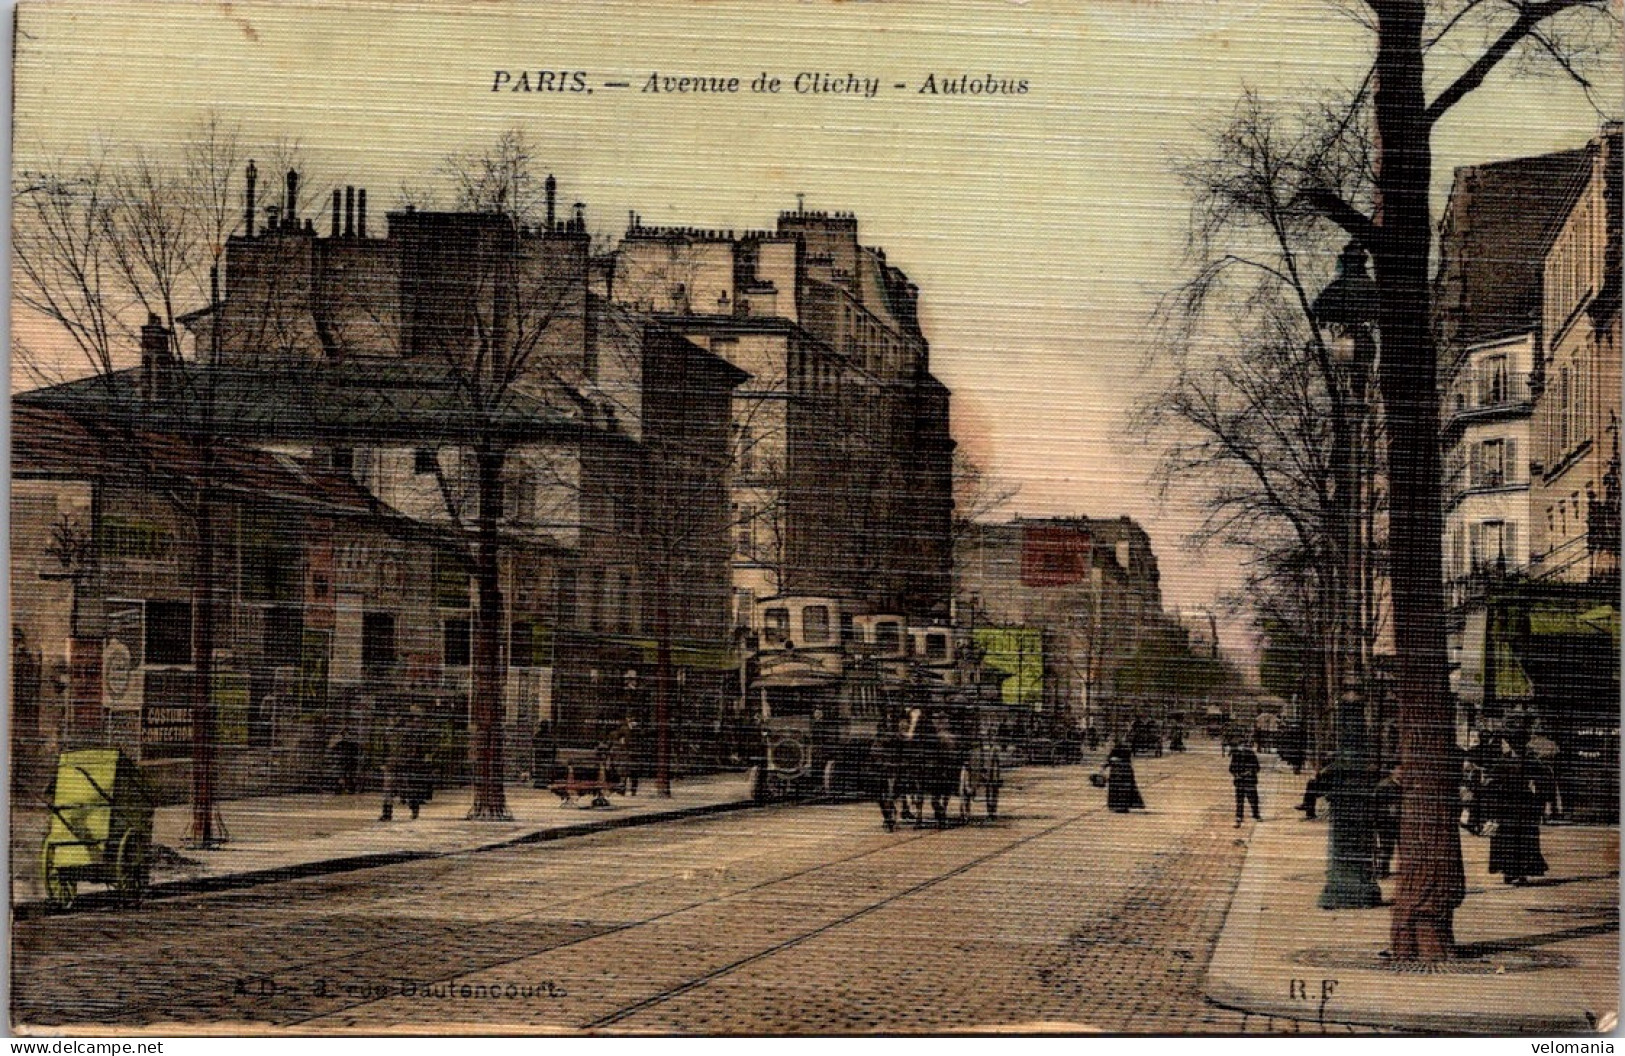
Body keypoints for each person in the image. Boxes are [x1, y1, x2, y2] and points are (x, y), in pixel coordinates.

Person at [1486, 725, 1550, 885]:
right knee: (1511, 838)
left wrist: (1542, 803)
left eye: (1507, 741)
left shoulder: (1526, 760)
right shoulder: (1509, 760)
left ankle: (1518, 871)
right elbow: (1491, 780)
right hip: (1511, 804)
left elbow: (1544, 781)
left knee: (1519, 838)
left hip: (1520, 804)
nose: (1505, 744)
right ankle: (1511, 871)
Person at [1374, 768, 1402, 878]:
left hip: (1397, 821)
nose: (1401, 772)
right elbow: (1377, 804)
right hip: (1386, 821)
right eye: (1399, 770)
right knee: (1386, 846)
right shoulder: (1384, 786)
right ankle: (1383, 870)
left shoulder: (1399, 786)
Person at [1103, 740, 1145, 813]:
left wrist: (1112, 761)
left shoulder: (1120, 749)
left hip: (1120, 772)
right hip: (1121, 772)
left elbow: (1111, 760)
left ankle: (1121, 806)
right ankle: (1122, 806)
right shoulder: (1123, 749)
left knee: (1120, 789)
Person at [1229, 737, 1262, 827]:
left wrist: (1249, 772)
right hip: (1240, 781)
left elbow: (1257, 767)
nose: (1242, 747)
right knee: (1239, 800)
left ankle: (1256, 814)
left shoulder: (1251, 754)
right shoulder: (1235, 754)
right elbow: (1231, 768)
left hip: (1250, 780)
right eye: (1241, 745)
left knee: (1253, 799)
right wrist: (1236, 774)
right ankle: (1239, 816)